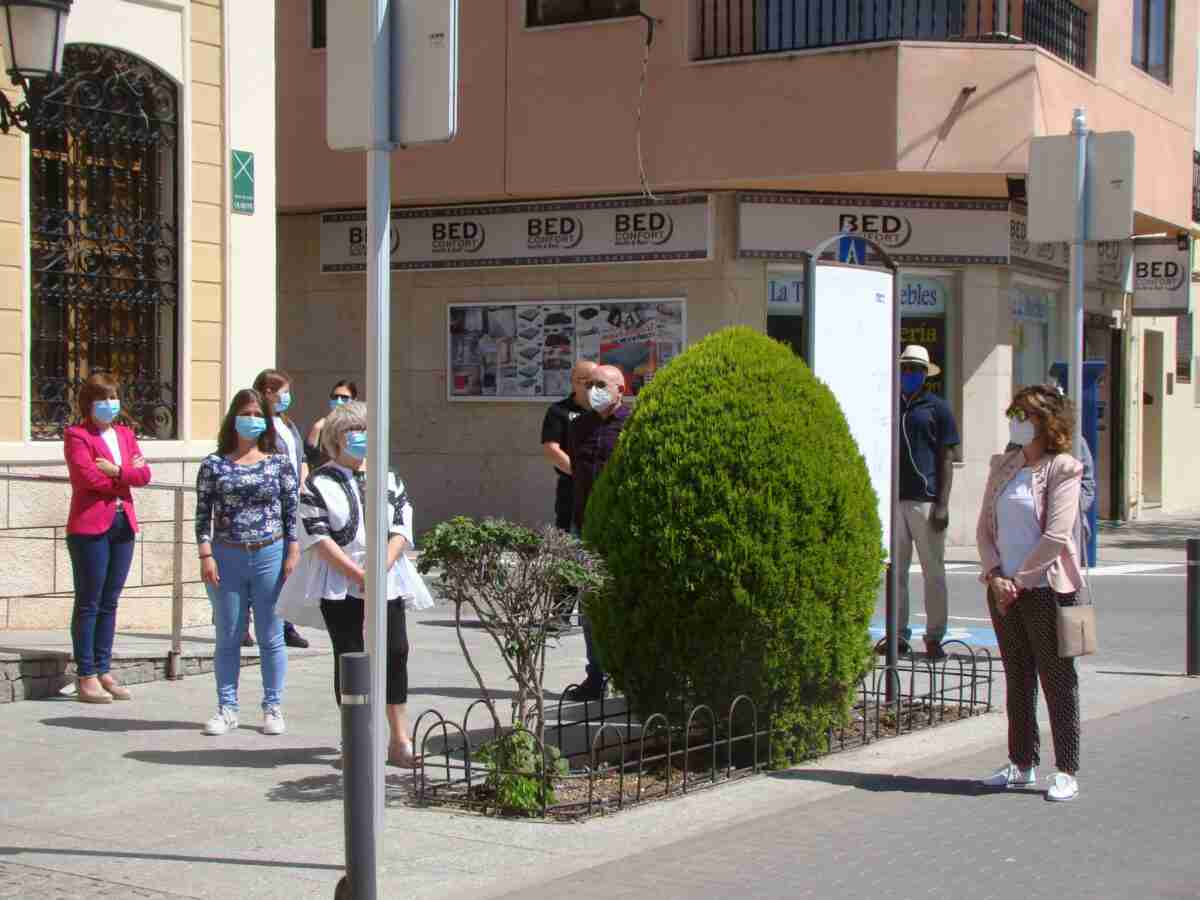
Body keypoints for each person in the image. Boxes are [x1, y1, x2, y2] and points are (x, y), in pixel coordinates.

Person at [276, 401, 434, 767]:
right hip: (340, 580)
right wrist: (357, 574)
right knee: (349, 656)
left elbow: (401, 526)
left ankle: (399, 739)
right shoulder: (318, 482)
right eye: (352, 431)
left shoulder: (388, 477)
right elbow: (317, 535)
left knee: (395, 652)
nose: (361, 438)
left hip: (387, 578)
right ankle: (355, 740)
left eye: (366, 430)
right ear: (336, 438)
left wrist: (380, 569)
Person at [977, 384, 1085, 802]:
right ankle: (1021, 762)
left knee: (1058, 679)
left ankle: (1067, 768)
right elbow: (985, 529)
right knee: (1017, 678)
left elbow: (1056, 535)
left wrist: (1020, 581)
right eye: (1014, 415)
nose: (1015, 423)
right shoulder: (1003, 466)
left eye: (1024, 416)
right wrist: (994, 575)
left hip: (1044, 589)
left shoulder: (1063, 468)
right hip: (1003, 589)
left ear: (1045, 423)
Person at [195, 389, 300, 737]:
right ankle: (227, 708)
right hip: (227, 555)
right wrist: (205, 554)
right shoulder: (213, 464)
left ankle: (273, 706)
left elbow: (290, 510)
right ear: (233, 418)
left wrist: (293, 550)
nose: (251, 419)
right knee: (228, 635)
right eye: (245, 413)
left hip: (270, 552)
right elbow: (202, 514)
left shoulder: (279, 462)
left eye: (257, 414)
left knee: (271, 636)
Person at [63, 374, 152, 704]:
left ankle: (103, 669)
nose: (110, 404)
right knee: (89, 601)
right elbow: (86, 477)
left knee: (110, 600)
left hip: (122, 523)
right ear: (89, 403)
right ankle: (85, 674)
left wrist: (117, 472)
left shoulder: (126, 434)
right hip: (90, 527)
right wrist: (125, 474)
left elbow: (144, 475)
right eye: (103, 398)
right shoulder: (77, 435)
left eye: (114, 397)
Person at [562, 364, 629, 702]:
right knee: (589, 606)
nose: (594, 390)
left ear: (621, 388)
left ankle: (629, 675)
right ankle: (596, 676)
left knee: (624, 603)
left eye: (602, 384)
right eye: (589, 385)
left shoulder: (634, 425)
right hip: (585, 527)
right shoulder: (580, 427)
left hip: (622, 530)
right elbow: (576, 470)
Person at [893, 344, 961, 660]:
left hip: (926, 500)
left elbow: (947, 457)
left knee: (933, 572)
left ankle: (934, 636)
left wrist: (942, 504)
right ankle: (898, 635)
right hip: (896, 501)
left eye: (915, 369)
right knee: (895, 572)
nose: (909, 374)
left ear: (925, 374)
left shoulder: (938, 408)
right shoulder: (890, 404)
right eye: (905, 368)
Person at [251, 368, 310, 650]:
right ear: (268, 393)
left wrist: (303, 482)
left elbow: (301, 457)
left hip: (293, 500)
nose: (287, 397)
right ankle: (247, 624)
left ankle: (286, 623)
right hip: (270, 502)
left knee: (290, 565)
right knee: (267, 567)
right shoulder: (257, 423)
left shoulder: (288, 424)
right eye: (283, 392)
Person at [541, 360, 597, 531]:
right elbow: (552, 450)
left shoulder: (607, 410)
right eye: (583, 380)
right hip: (573, 487)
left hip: (604, 486)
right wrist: (583, 475)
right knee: (571, 541)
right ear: (573, 382)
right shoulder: (559, 411)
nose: (589, 385)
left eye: (594, 381)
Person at [306, 379, 358, 469]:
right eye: (335, 397)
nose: (339, 401)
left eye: (344, 398)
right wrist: (316, 429)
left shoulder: (359, 428)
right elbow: (308, 457)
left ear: (354, 400)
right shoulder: (320, 426)